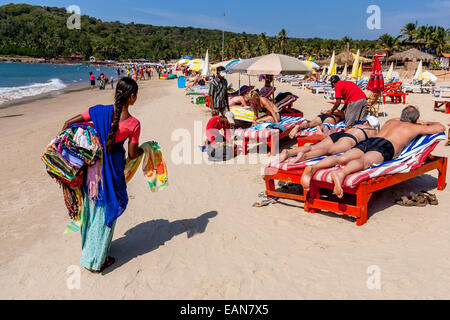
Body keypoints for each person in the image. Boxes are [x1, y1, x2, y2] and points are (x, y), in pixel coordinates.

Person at [61, 77, 143, 273]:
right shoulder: (134, 124)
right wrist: (143, 151)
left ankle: (94, 245)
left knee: (93, 208)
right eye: (135, 95)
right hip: (112, 170)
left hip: (92, 171)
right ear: (131, 97)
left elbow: (67, 123)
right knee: (108, 208)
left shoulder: (98, 111)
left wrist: (64, 148)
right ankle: (96, 260)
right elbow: (132, 154)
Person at [301, 106, 446, 197]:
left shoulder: (392, 121)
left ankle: (314, 168)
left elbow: (401, 119)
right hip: (386, 146)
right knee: (364, 161)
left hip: (371, 140)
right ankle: (341, 174)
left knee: (342, 158)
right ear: (416, 119)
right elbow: (440, 128)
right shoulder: (415, 127)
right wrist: (422, 122)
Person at [277, 116, 380, 164]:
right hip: (349, 140)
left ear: (366, 121)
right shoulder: (374, 131)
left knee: (313, 147)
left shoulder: (358, 125)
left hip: (339, 134)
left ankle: (289, 152)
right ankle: (304, 157)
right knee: (328, 150)